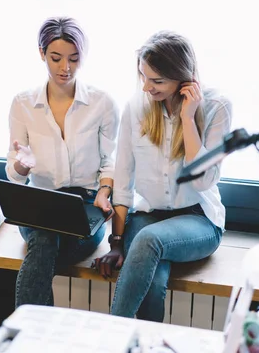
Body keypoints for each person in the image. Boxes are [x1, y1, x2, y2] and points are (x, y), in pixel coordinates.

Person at [93, 31, 232, 322]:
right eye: (143, 77)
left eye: (157, 81)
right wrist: (116, 243)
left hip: (199, 219)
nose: (146, 87)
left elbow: (203, 181)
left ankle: (109, 337)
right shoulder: (137, 107)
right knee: (152, 284)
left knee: (148, 240)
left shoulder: (216, 107)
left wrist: (188, 118)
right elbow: (124, 178)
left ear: (183, 78)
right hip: (148, 215)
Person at [6, 17, 120, 308]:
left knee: (44, 248)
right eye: (56, 58)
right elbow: (14, 174)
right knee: (44, 238)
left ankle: (26, 336)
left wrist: (105, 192)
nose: (65, 68)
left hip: (84, 209)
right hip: (40, 207)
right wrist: (22, 166)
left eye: (74, 59)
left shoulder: (102, 103)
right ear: (42, 53)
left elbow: (111, 161)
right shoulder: (23, 104)